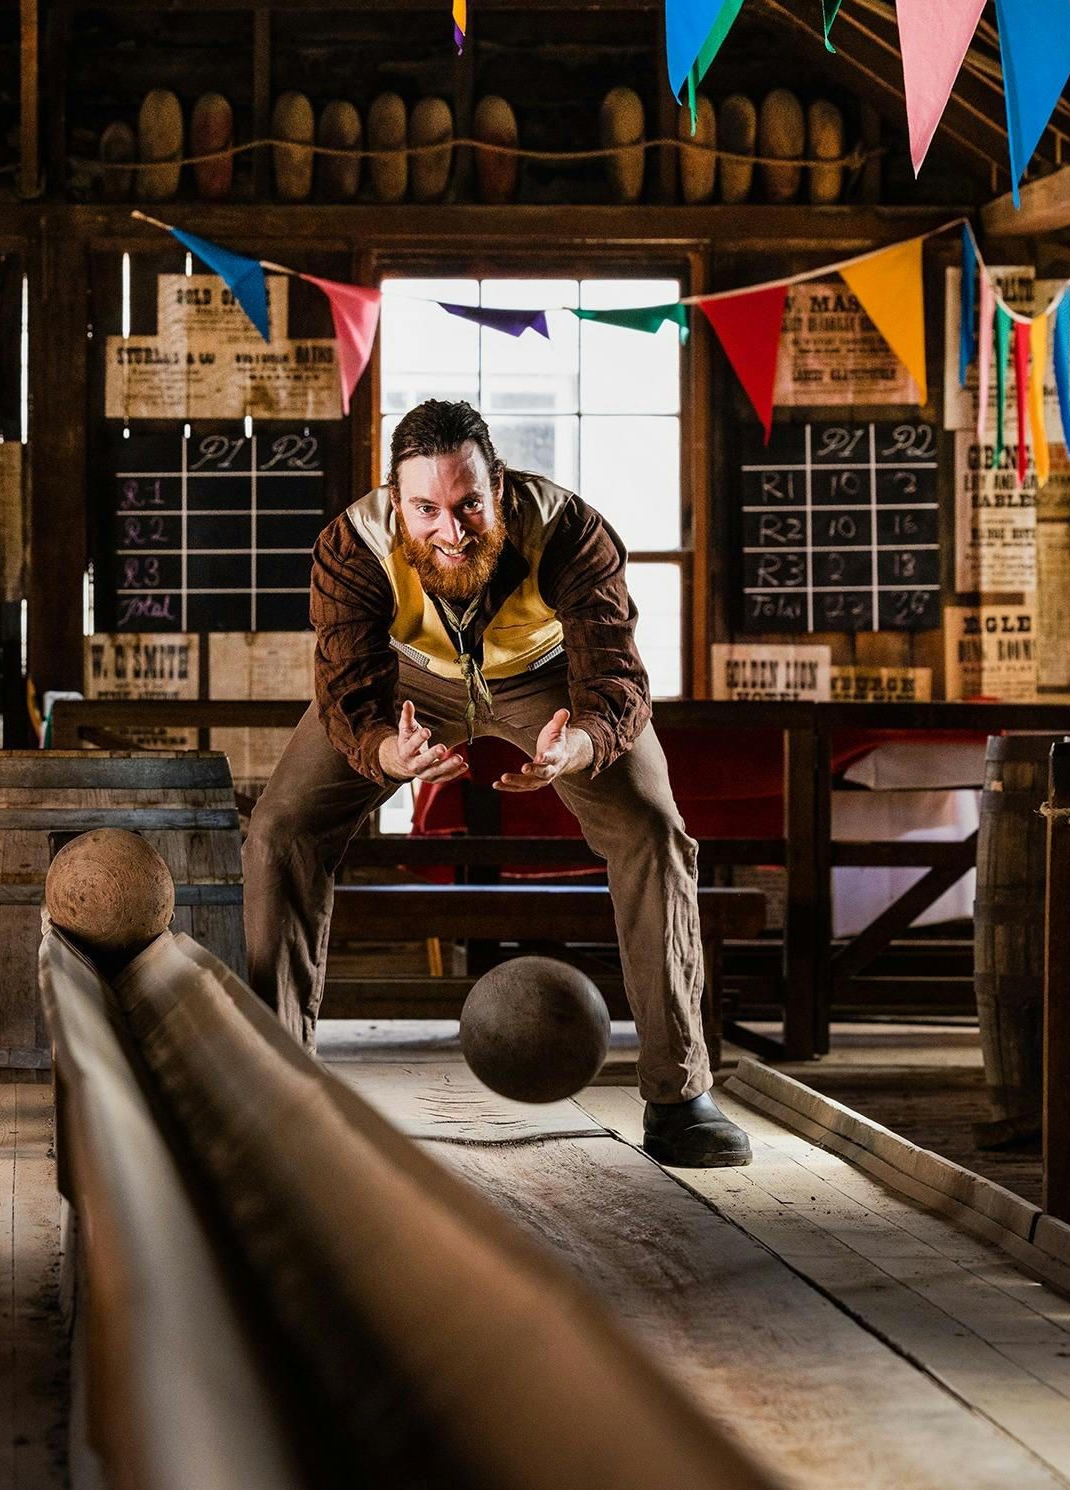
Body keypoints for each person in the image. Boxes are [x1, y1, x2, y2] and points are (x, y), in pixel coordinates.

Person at [242, 398, 750, 1168]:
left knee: (653, 830)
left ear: (500, 489)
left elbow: (616, 679)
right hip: (407, 688)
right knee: (279, 833)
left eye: (469, 503)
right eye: (427, 510)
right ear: (395, 502)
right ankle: (274, 1096)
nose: (451, 530)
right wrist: (387, 754)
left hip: (549, 686)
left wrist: (577, 745)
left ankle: (680, 1096)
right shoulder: (351, 546)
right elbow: (345, 689)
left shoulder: (572, 531)